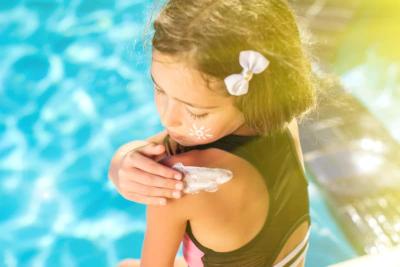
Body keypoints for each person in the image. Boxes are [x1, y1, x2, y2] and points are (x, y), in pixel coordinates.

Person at [108, 0, 319, 266]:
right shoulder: (281, 124)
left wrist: (120, 167)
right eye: (159, 89)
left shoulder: (185, 181)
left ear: (250, 96)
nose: (167, 118)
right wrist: (124, 160)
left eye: (196, 112)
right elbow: (151, 147)